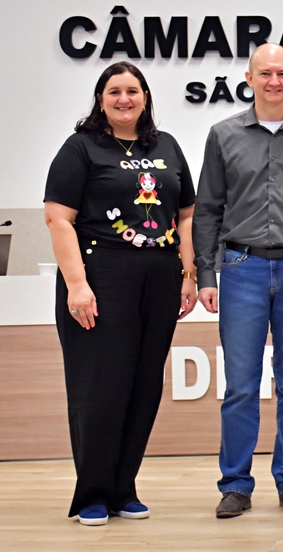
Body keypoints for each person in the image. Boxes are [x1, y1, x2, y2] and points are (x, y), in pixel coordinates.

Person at [44, 61, 197, 526]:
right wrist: (77, 285)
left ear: (145, 97)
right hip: (101, 277)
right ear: (101, 98)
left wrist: (188, 273)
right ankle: (92, 492)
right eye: (115, 91)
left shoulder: (165, 145)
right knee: (100, 388)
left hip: (159, 279)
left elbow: (186, 213)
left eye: (133, 91)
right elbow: (57, 218)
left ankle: (123, 487)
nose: (124, 99)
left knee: (143, 386)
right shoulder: (81, 147)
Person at [193, 43, 283, 518]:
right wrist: (206, 273)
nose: (273, 81)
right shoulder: (222, 135)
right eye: (265, 73)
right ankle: (235, 484)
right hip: (241, 269)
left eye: (282, 73)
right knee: (240, 385)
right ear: (249, 78)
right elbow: (209, 208)